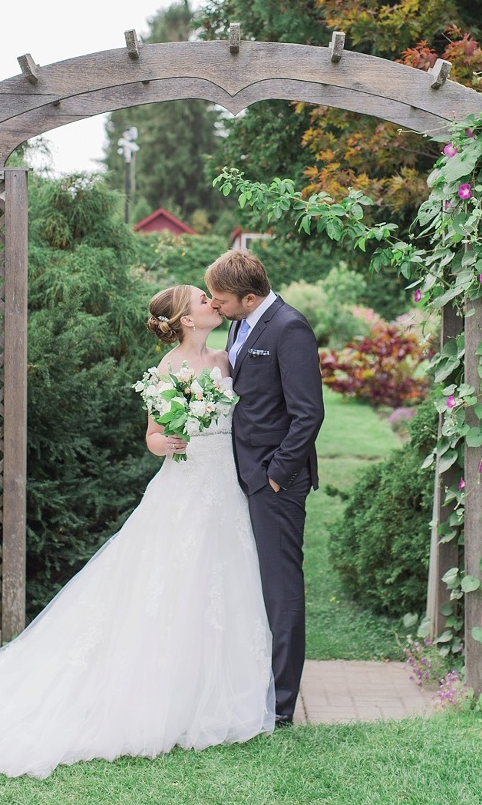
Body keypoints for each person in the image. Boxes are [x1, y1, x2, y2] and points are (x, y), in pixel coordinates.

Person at [0, 285, 274, 778]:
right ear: (187, 320)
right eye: (203, 299)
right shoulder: (168, 370)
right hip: (185, 487)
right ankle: (162, 695)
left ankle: (216, 693)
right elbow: (151, 435)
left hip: (223, 489)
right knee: (170, 585)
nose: (213, 301)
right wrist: (163, 442)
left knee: (219, 585)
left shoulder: (227, 360)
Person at [205, 250, 324, 727]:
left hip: (275, 481)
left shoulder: (289, 328)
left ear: (249, 297)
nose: (215, 307)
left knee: (281, 589)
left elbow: (308, 414)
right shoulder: (240, 322)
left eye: (220, 300)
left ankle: (280, 706)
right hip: (240, 472)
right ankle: (255, 684)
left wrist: (276, 473)